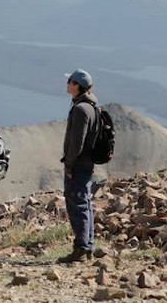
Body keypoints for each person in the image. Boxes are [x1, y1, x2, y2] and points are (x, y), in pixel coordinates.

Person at [58, 68, 99, 263]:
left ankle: (81, 248)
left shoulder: (81, 109)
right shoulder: (91, 106)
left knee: (78, 204)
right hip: (86, 164)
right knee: (85, 203)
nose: (67, 84)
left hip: (78, 165)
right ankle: (87, 246)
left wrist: (69, 163)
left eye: (70, 82)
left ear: (77, 86)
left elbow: (77, 143)